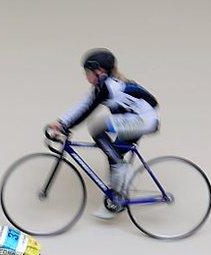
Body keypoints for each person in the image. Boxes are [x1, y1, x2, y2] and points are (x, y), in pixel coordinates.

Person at [47, 48, 159, 219]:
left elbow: (88, 111)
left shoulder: (109, 87)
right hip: (134, 120)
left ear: (99, 71)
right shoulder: (103, 86)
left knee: (98, 127)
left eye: (87, 72)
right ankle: (115, 202)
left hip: (143, 121)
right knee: (114, 155)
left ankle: (121, 169)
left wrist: (65, 127)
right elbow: (83, 104)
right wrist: (61, 121)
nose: (86, 76)